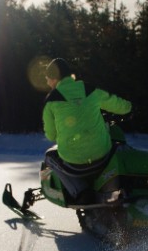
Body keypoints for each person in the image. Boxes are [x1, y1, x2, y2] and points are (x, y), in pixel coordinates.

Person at [42, 58, 132, 199]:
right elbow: (120, 106)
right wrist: (131, 108)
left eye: (47, 78)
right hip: (103, 157)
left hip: (74, 165)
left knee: (49, 156)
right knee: (116, 144)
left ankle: (81, 192)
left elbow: (51, 136)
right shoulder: (89, 89)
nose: (47, 82)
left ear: (54, 78)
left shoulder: (51, 99)